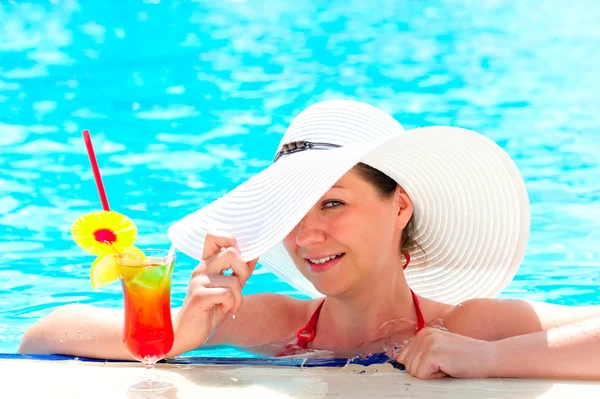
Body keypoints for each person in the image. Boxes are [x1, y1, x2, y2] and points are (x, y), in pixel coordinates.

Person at [19, 100, 600, 380]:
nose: (307, 232)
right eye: (294, 209)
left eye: (333, 202)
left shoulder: (466, 326)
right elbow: (42, 335)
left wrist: (490, 357)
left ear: (399, 205)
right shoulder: (273, 323)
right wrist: (180, 333)